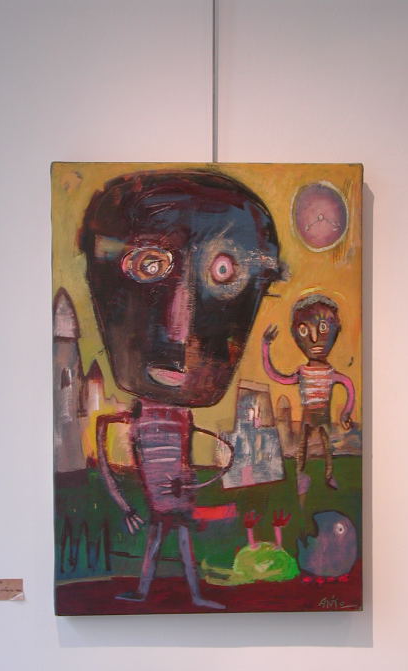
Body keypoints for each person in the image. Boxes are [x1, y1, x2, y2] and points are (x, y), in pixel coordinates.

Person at [79, 169, 282, 608]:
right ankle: (161, 590)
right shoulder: (135, 422)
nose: (178, 328)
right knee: (166, 543)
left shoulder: (170, 424)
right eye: (148, 265)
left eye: (224, 272)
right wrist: (128, 503)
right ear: (95, 280)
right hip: (164, 503)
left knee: (176, 544)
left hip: (171, 502)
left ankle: (178, 592)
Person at [262, 294, 354, 496]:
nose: (314, 339)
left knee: (327, 448)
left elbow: (348, 385)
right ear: (296, 336)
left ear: (336, 329)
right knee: (302, 448)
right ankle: (301, 476)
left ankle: (328, 475)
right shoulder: (303, 372)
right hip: (308, 418)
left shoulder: (330, 373)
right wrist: (265, 347)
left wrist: (346, 412)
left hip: (323, 418)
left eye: (323, 328)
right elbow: (276, 375)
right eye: (304, 330)